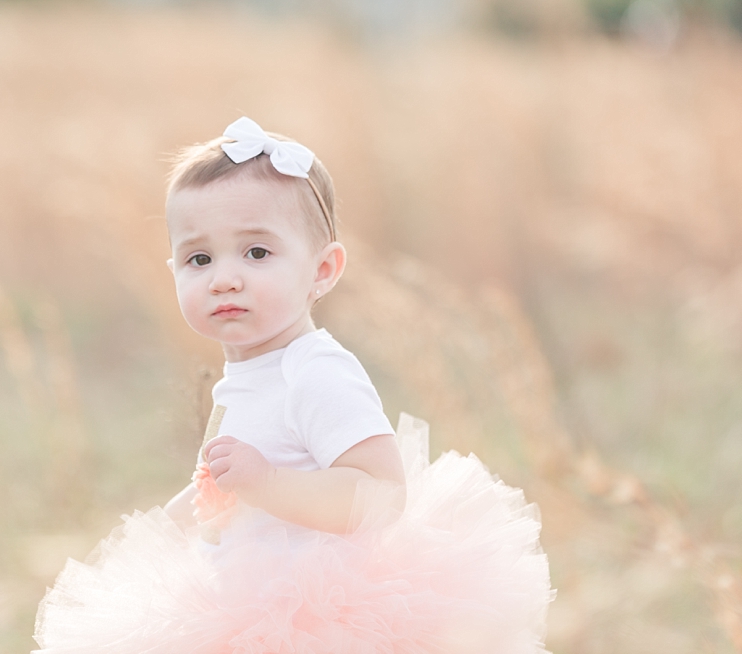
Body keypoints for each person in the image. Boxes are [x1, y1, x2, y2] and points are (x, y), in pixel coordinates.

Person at [32, 117, 553, 654]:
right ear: (174, 272)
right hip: (240, 608)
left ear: (322, 270)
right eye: (199, 258)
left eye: (256, 252)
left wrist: (267, 482)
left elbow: (381, 494)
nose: (224, 277)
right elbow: (228, 488)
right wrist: (171, 526)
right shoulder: (245, 376)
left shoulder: (316, 371)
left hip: (317, 618)